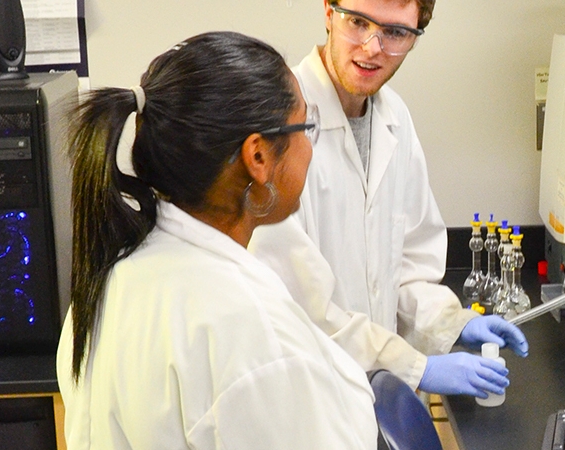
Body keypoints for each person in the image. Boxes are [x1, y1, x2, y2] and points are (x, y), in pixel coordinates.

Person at [57, 32, 377, 448]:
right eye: (305, 126)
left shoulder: (115, 276)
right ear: (258, 157)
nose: (309, 149)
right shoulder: (252, 331)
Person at [251, 0, 528, 396]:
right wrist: (416, 366)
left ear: (415, 36)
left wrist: (452, 323)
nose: (372, 47)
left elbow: (409, 266)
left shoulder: (394, 118)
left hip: (377, 396)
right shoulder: (281, 128)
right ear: (329, 13)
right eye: (358, 22)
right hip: (306, 396)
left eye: (395, 32)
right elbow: (297, 307)